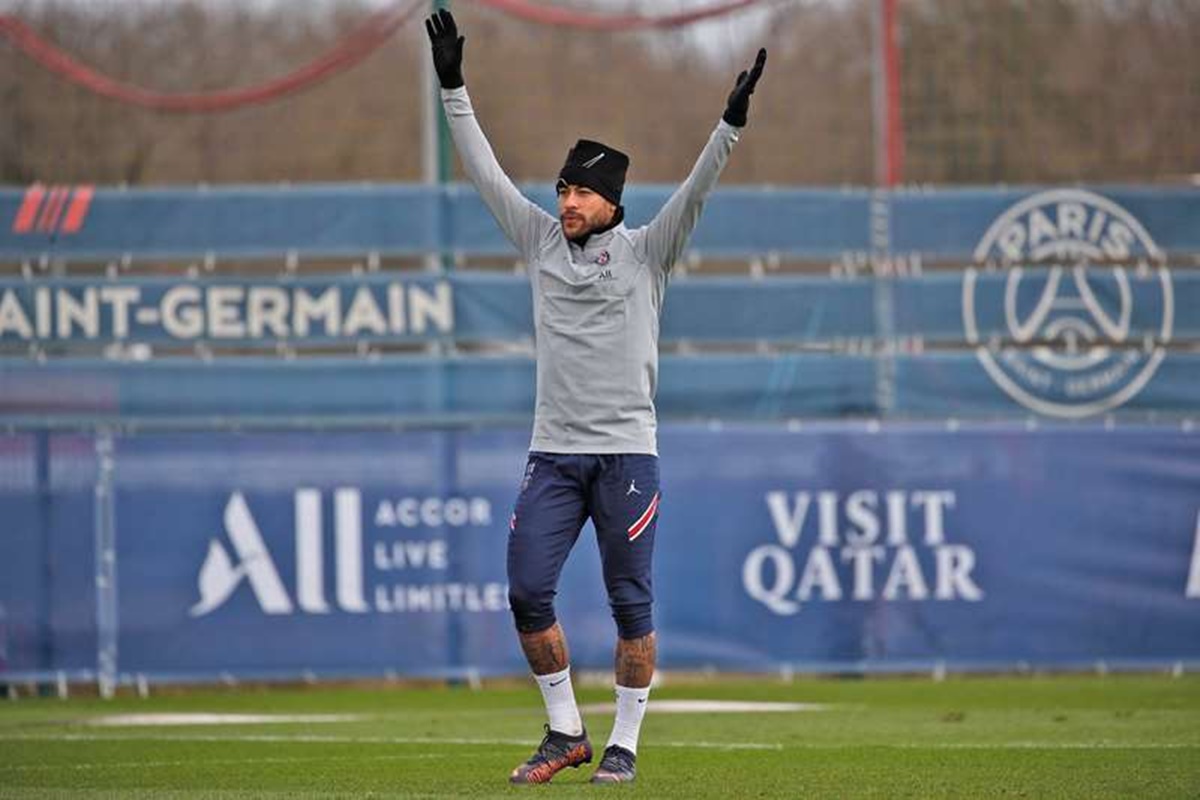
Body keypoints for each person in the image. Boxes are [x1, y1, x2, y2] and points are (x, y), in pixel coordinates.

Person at [425, 8, 767, 785]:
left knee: (631, 607)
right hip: (553, 455)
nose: (566, 201)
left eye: (580, 191)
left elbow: (698, 191)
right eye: (562, 189)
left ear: (611, 201)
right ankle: (565, 731)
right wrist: (453, 87)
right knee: (526, 591)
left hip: (626, 458)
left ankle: (625, 743)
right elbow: (483, 171)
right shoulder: (539, 241)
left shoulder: (648, 252)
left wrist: (729, 126)